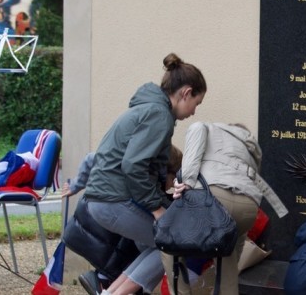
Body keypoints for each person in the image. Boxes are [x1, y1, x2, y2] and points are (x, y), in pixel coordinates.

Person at [84, 53, 206, 295]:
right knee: (175, 242)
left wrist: (165, 202)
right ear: (186, 92)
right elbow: (134, 166)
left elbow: (145, 169)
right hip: (114, 199)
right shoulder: (159, 115)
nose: (194, 112)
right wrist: (158, 210)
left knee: (160, 244)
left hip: (104, 198)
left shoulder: (150, 109)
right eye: (196, 103)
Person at [165, 122, 289, 295]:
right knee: (227, 255)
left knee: (168, 241)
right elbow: (238, 242)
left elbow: (197, 127)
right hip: (248, 208)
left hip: (214, 198)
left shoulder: (210, 128)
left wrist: (187, 181)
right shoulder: (251, 151)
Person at [63, 145, 183, 295]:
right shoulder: (145, 174)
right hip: (108, 209)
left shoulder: (134, 164)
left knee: (156, 245)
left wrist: (76, 185)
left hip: (94, 207)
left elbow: (91, 158)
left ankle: (109, 292)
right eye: (173, 178)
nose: (173, 184)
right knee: (168, 244)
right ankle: (116, 290)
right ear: (165, 170)